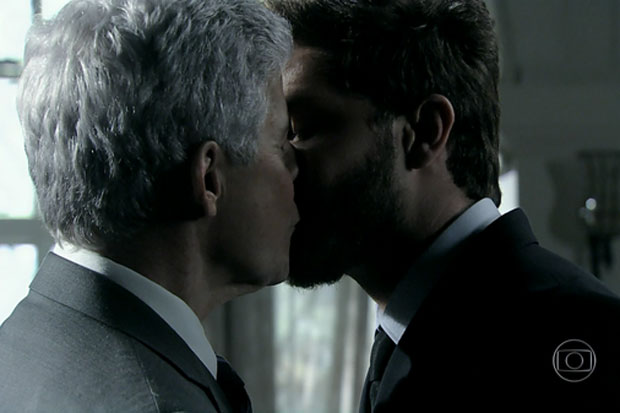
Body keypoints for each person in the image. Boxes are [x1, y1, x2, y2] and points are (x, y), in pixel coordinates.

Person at [267, 0, 620, 410]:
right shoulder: (410, 333)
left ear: (424, 132)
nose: (276, 168)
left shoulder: (578, 333)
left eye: (301, 130)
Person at [0, 0, 297, 411]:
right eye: (281, 145)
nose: (297, 168)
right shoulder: (159, 402)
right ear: (209, 178)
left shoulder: (21, 345)